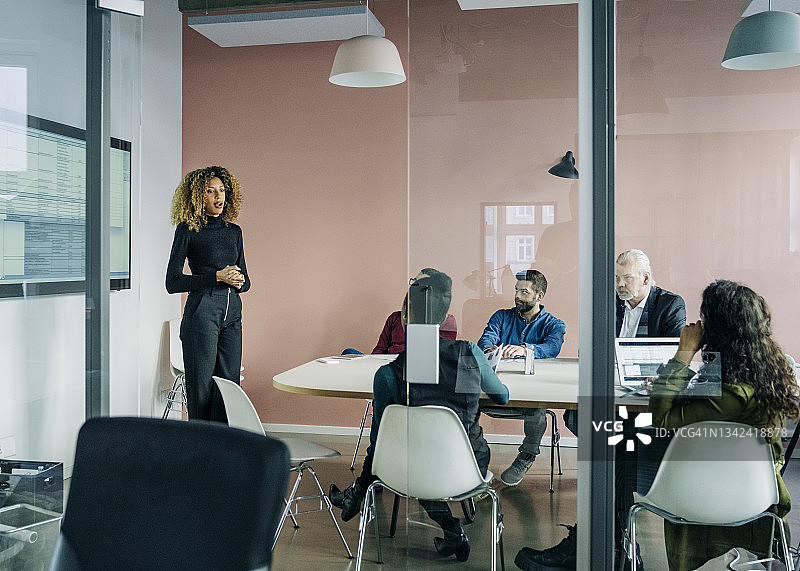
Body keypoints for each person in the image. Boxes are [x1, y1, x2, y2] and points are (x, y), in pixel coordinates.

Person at [516, 250, 686, 571]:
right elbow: (591, 347)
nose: (619, 285)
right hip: (613, 397)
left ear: (646, 278)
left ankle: (594, 542)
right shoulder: (610, 302)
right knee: (598, 430)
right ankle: (614, 543)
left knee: (614, 444)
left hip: (650, 406)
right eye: (617, 278)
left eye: (627, 279)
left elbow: (671, 354)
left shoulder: (668, 304)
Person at [329, 269, 509, 562]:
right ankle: (451, 532)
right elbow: (502, 396)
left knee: (409, 460)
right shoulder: (469, 353)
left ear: (404, 317)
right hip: (468, 463)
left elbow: (380, 441)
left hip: (411, 467)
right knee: (426, 462)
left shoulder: (388, 374)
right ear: (444, 318)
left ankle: (358, 497)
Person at [646, 280, 798, 570]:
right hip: (758, 495)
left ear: (717, 329)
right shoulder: (766, 372)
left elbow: (661, 418)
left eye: (704, 316)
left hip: (702, 497)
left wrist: (684, 353)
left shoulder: (731, 394)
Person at [165, 166, 250, 422]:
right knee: (201, 390)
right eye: (210, 191)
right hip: (201, 312)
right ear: (197, 196)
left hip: (232, 311)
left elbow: (246, 282)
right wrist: (216, 277)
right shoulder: (187, 230)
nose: (218, 196)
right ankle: (200, 453)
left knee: (229, 387)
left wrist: (239, 281)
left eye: (222, 190)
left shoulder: (234, 231)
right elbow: (173, 282)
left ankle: (225, 449)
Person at [477, 269, 566, 486]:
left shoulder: (555, 325)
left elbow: (551, 349)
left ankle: (527, 456)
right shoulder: (501, 316)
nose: (517, 296)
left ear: (539, 296)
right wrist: (491, 349)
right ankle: (473, 458)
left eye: (524, 292)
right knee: (466, 402)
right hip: (497, 388)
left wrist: (525, 350)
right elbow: (486, 340)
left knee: (538, 411)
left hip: (530, 392)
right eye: (516, 290)